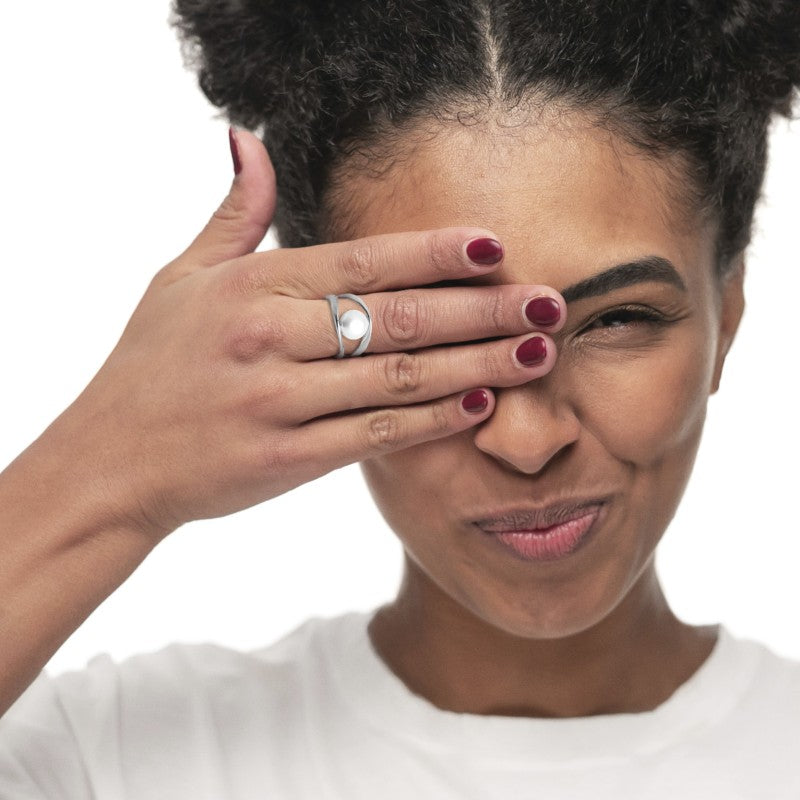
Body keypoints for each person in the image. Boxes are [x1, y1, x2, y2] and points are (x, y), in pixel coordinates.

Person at [1, 0, 799, 796]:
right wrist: (110, 469)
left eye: (618, 320)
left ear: (726, 314)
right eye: (433, 334)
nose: (527, 442)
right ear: (318, 335)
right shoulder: (100, 758)